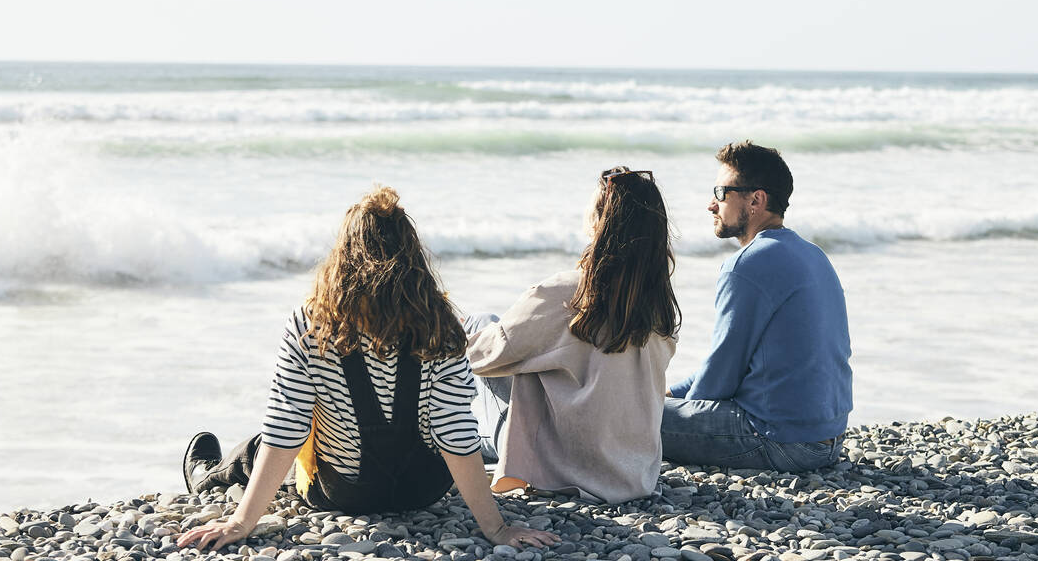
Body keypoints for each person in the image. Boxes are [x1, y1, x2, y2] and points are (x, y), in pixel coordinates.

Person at [176, 187, 558, 552]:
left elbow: (285, 430)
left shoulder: (311, 322)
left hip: (344, 491)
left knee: (263, 444)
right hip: (424, 489)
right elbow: (454, 431)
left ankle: (207, 476)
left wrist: (242, 522)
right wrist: (496, 528)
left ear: (343, 254)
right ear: (413, 255)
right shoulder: (440, 323)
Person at [465, 166, 679, 503]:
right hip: (635, 475)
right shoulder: (661, 305)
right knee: (538, 354)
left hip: (566, 468)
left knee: (479, 325)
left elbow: (481, 358)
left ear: (599, 223)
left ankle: (441, 440)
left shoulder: (568, 294)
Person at [662, 141, 852, 471]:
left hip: (780, 440)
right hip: (828, 437)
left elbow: (720, 379)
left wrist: (661, 407)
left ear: (755, 200)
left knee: (626, 416)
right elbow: (729, 365)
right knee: (653, 404)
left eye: (721, 193)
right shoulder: (813, 255)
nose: (711, 205)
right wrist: (670, 393)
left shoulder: (746, 266)